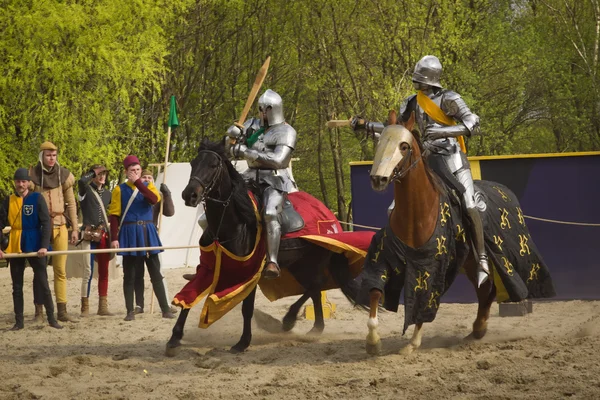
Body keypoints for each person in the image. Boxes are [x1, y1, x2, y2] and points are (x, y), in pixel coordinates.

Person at [351, 55, 490, 285]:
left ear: (431, 79)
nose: (417, 83)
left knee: (468, 202)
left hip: (451, 157)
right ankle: (406, 253)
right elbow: (394, 130)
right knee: (394, 208)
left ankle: (482, 258)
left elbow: (473, 123)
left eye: (420, 79)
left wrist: (444, 132)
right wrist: (366, 126)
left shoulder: (449, 98)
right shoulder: (411, 102)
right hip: (424, 159)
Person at [226, 89, 297, 279]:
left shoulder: (286, 131)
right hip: (249, 176)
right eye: (261, 109)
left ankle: (272, 261)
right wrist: (229, 137)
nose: (263, 113)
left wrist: (247, 152)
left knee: (269, 213)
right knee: (224, 203)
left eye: (267, 109)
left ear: (275, 109)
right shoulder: (250, 125)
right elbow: (229, 151)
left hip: (275, 178)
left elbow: (279, 160)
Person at [108, 155, 176, 321]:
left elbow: (153, 199)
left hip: (147, 231)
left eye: (138, 170)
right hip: (130, 232)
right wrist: (114, 238)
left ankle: (165, 309)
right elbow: (114, 215)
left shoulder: (149, 186)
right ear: (126, 172)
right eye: (133, 171)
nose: (136, 173)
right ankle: (130, 311)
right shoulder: (119, 189)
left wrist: (139, 183)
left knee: (155, 272)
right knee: (130, 274)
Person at [0, 168, 62, 330]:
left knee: (43, 282)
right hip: (15, 244)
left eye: (23, 181)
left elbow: (46, 223)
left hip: (35, 242)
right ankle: (19, 322)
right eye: (18, 181)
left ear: (28, 183)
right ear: (15, 183)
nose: (21, 184)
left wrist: (43, 245)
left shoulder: (37, 198)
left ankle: (51, 319)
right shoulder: (8, 200)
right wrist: (1, 247)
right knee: (17, 286)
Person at [29, 141, 79, 322]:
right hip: (40, 228)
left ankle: (62, 310)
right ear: (42, 155)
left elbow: (72, 204)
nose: (52, 158)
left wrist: (74, 228)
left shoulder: (64, 175)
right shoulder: (32, 175)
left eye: (54, 155)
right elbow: (27, 204)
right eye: (48, 155)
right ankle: (39, 311)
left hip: (59, 225)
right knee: (39, 270)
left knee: (60, 270)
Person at [133, 169, 176, 315]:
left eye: (149, 177)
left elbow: (169, 212)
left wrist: (167, 195)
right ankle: (139, 305)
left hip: (151, 237)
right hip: (137, 237)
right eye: (143, 177)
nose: (146, 179)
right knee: (137, 273)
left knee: (157, 273)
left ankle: (166, 305)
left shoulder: (156, 196)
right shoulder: (135, 194)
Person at [77, 164, 113, 316]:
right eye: (99, 173)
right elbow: (80, 182)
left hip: (103, 234)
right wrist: (92, 172)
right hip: (87, 234)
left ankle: (102, 307)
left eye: (104, 173)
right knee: (88, 271)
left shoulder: (108, 194)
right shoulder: (85, 190)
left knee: (104, 271)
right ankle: (85, 307)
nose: (101, 176)